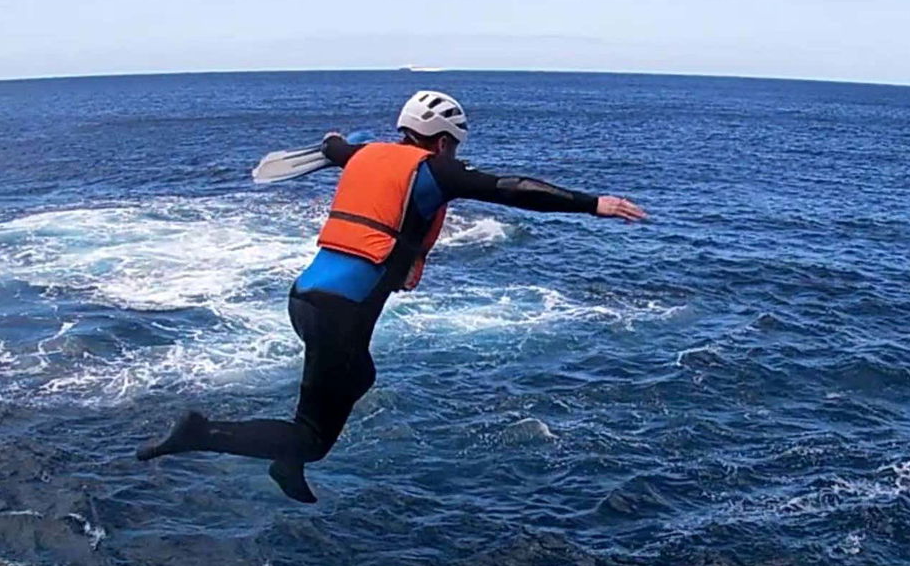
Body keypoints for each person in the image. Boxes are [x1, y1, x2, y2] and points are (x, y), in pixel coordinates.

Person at [138, 91, 646, 503]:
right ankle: (205, 434)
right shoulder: (435, 170)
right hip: (339, 316)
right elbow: (511, 188)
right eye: (453, 146)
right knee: (313, 437)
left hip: (306, 299)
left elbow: (334, 147)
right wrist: (593, 204)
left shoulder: (363, 154)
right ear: (443, 142)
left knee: (360, 374)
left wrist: (335, 141)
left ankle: (286, 458)